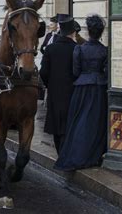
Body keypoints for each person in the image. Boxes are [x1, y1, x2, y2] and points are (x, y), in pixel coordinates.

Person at [55, 14, 108, 171]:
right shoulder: (104, 51)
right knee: (96, 123)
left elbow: (76, 71)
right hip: (99, 89)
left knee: (79, 122)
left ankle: (77, 154)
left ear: (87, 31)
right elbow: (106, 72)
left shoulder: (79, 49)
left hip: (81, 88)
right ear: (101, 32)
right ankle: (93, 154)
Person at [40, 17, 78, 154]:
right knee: (69, 123)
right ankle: (67, 152)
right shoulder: (76, 48)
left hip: (54, 92)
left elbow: (43, 72)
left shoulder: (50, 49)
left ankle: (60, 152)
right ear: (73, 33)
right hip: (72, 91)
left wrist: (49, 84)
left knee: (56, 124)